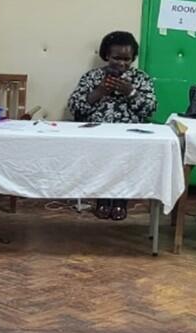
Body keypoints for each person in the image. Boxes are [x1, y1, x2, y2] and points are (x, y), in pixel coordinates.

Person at [66, 30, 157, 221]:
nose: (122, 63)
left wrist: (131, 93)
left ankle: (120, 201)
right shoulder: (92, 77)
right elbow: (74, 106)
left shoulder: (141, 78)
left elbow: (150, 109)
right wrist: (99, 91)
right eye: (117, 58)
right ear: (106, 55)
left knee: (124, 158)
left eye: (127, 59)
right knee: (102, 157)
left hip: (129, 135)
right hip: (96, 134)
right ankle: (102, 200)